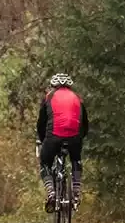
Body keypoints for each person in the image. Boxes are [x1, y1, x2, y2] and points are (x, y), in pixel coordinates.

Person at [36, 73, 87, 212]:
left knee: (45, 162)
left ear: (53, 86)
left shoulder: (49, 97)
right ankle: (76, 192)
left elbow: (41, 123)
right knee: (76, 159)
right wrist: (79, 139)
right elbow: (85, 124)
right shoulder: (78, 98)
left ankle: (51, 192)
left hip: (53, 137)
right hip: (75, 137)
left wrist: (42, 140)